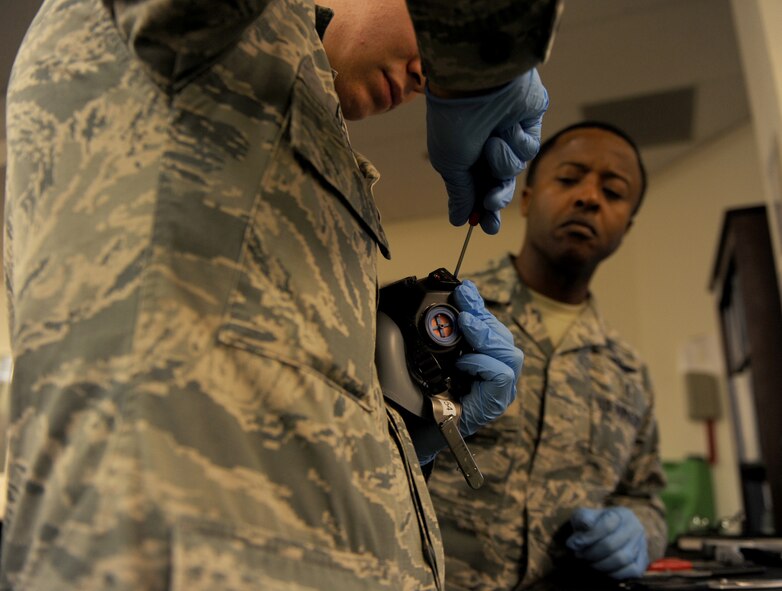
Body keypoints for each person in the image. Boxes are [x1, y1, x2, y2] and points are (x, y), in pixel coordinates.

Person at [1, 0, 557, 589]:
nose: (427, 78)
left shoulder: (268, 103)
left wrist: (401, 433)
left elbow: (261, 408)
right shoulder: (214, 34)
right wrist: (478, 50)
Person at [426, 121, 668, 590]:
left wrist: (643, 531)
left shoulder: (629, 372)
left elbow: (646, 496)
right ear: (528, 196)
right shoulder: (445, 317)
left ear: (627, 227)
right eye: (569, 178)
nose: (589, 197)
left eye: (614, 192)